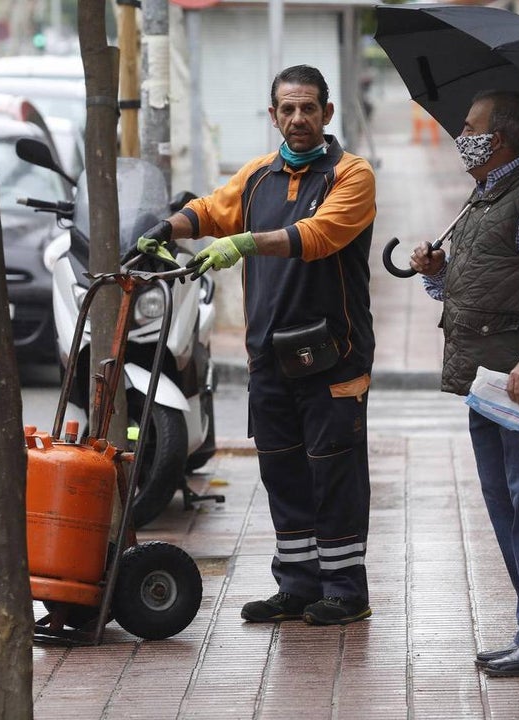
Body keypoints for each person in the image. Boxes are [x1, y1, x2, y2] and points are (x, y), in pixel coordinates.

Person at [136, 65, 377, 626]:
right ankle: (296, 586)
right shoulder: (257, 177)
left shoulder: (351, 175)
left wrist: (243, 242)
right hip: (270, 357)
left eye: (308, 109)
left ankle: (345, 590)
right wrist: (164, 229)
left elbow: (318, 237)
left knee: (334, 473)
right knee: (283, 473)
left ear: (328, 114)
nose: (298, 119)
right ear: (273, 116)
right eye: (287, 110)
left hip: (333, 356)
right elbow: (210, 208)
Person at [409, 90, 519, 677]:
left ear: (500, 138)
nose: (462, 135)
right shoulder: (490, 196)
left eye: (470, 127)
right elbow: (483, 284)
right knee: (508, 505)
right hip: (487, 382)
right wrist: (438, 277)